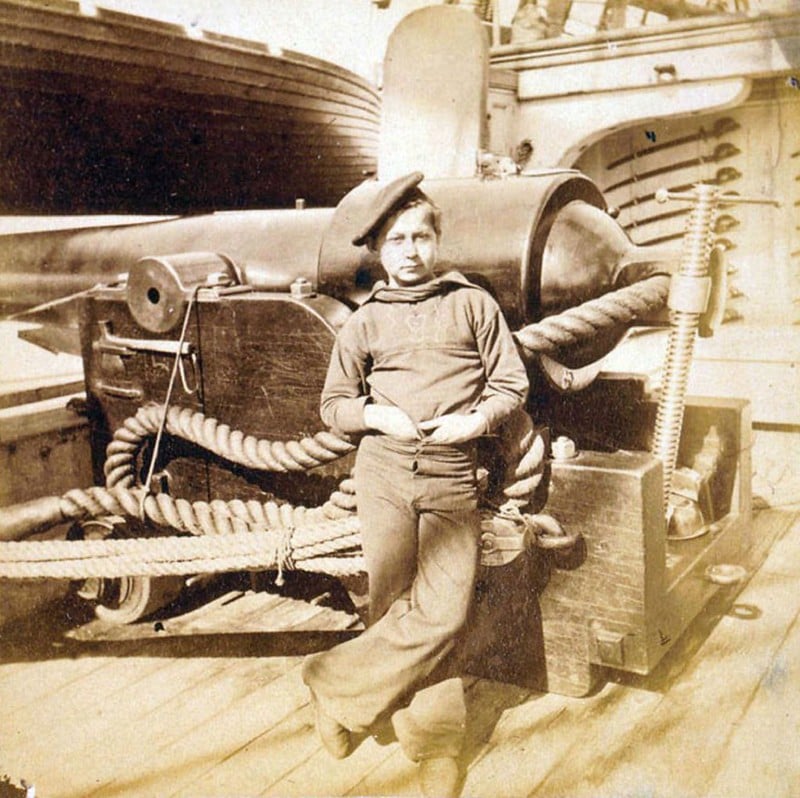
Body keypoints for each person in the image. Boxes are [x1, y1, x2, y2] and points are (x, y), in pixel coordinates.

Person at [301, 172, 528, 797]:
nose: (410, 250)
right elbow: (333, 406)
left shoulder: (472, 305)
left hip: (452, 473)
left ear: (437, 241)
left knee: (445, 613)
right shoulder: (365, 322)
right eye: (397, 240)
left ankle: (333, 684)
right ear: (379, 251)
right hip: (384, 473)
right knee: (393, 606)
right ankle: (434, 744)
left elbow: (511, 383)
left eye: (421, 237)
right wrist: (376, 416)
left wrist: (476, 421)